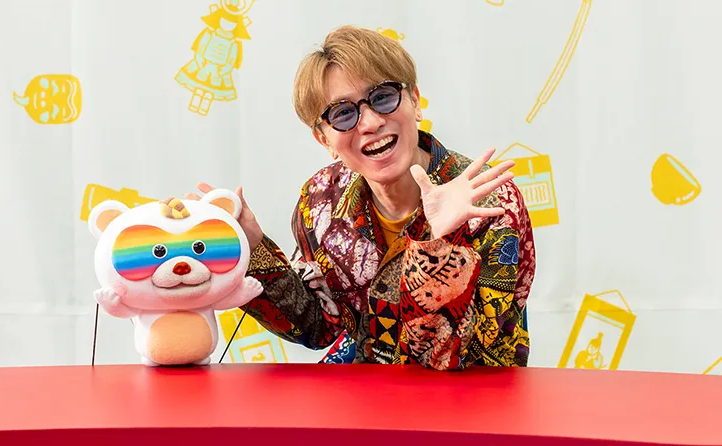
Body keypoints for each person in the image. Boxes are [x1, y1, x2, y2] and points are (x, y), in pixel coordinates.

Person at [187, 25, 536, 371]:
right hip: (366, 391)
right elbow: (318, 325)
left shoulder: (490, 203)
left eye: (382, 97)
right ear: (324, 139)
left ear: (415, 101)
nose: (370, 123)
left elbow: (448, 360)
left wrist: (439, 246)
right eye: (343, 113)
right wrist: (250, 246)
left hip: (472, 393)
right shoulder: (320, 200)